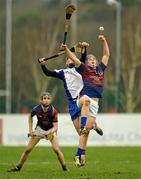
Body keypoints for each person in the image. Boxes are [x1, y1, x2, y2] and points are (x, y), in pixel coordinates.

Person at [62, 34, 110, 166]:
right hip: (83, 100)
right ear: (87, 63)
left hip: (95, 104)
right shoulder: (84, 69)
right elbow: (73, 58)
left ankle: (79, 155)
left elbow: (106, 55)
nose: (93, 61)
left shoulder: (100, 69)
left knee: (85, 133)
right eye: (90, 59)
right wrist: (66, 49)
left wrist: (104, 41)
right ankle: (84, 124)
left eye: (94, 59)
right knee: (86, 102)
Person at [8, 92, 69, 172]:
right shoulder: (36, 109)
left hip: (50, 130)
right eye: (44, 98)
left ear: (50, 101)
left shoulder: (53, 111)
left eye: (48, 99)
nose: (46, 100)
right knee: (27, 150)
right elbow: (30, 117)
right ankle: (18, 168)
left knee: (56, 150)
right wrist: (30, 130)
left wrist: (50, 132)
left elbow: (55, 127)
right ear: (41, 100)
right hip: (39, 130)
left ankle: (64, 167)